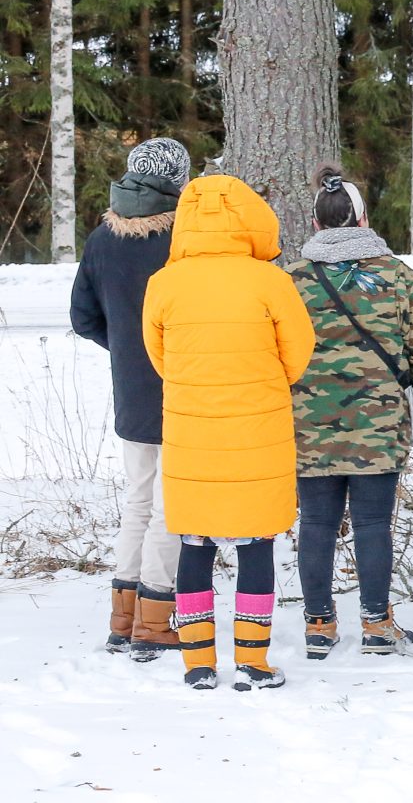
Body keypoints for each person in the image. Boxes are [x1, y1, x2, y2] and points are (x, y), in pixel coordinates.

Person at [141, 173, 315, 690]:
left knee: (194, 546)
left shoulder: (164, 282)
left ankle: (197, 663)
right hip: (257, 438)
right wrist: (261, 382)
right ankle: (253, 661)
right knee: (255, 547)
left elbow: (160, 359)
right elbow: (298, 355)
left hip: (191, 440)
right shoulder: (271, 281)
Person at [288, 167, 413, 660]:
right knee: (374, 525)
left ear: (315, 224)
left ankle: (318, 624)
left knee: (315, 522)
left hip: (308, 424)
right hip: (378, 424)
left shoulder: (291, 280)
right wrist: (412, 384)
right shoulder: (396, 275)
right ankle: (378, 624)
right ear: (363, 218)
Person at [71, 137, 189, 662]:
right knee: (172, 506)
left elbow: (82, 318)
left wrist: (123, 346)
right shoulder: (183, 240)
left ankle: (122, 617)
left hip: (130, 390)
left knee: (138, 501)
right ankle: (155, 618)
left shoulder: (101, 238)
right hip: (182, 385)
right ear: (177, 181)